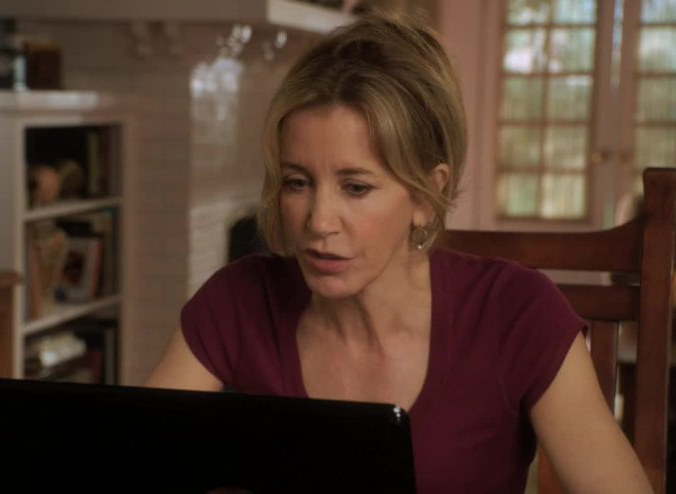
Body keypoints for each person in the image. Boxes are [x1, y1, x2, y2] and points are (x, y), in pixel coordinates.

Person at [146, 11, 652, 494]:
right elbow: (132, 461)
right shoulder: (238, 300)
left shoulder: (516, 312)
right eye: (298, 182)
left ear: (426, 196)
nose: (319, 222)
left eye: (356, 187)